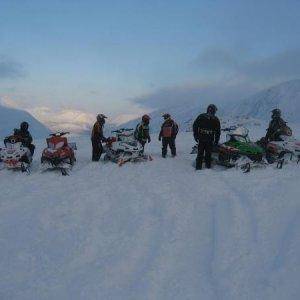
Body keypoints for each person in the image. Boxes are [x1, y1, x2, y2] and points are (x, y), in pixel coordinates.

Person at [193, 104, 221, 170]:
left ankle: (199, 168)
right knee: (207, 154)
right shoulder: (215, 119)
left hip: (203, 138)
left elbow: (195, 126)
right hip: (208, 139)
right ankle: (207, 168)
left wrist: (196, 135)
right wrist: (216, 141)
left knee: (201, 154)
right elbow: (218, 132)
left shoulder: (201, 116)